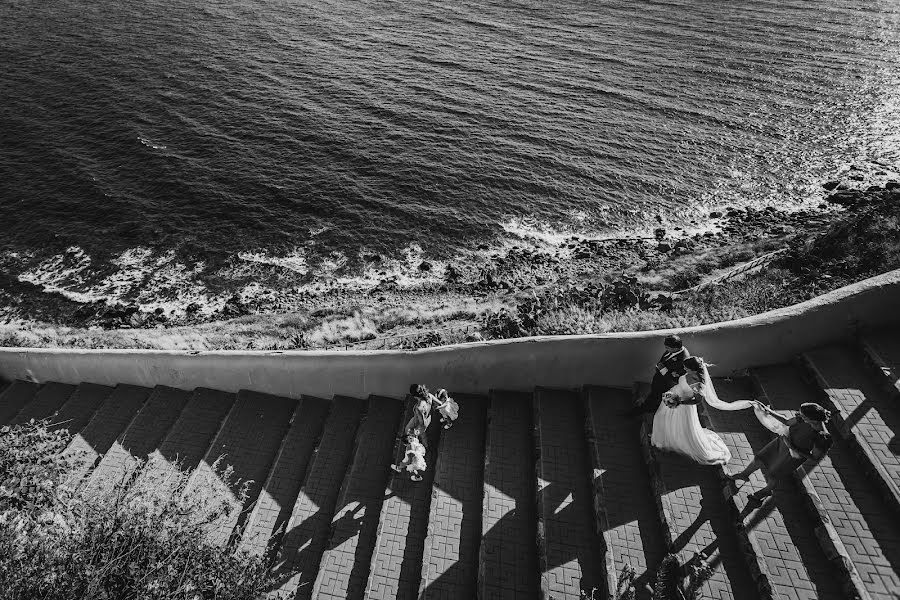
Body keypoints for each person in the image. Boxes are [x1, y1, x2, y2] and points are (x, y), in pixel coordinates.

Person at [727, 402, 833, 509]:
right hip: (782, 443)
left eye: (803, 416)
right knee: (761, 457)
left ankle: (766, 491)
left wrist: (792, 447)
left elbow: (814, 457)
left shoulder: (822, 436)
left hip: (792, 456)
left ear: (813, 419)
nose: (799, 416)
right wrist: (769, 412)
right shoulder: (803, 418)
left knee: (774, 474)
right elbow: (787, 421)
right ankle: (744, 474)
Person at [650, 357, 732, 465]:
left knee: (678, 426)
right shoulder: (689, 373)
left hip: (683, 405)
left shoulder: (699, 384)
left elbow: (698, 401)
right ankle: (663, 438)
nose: (684, 369)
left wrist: (679, 402)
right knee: (661, 417)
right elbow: (682, 381)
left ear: (693, 369)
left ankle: (668, 441)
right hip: (674, 394)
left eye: (686, 368)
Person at [626, 334, 693, 418]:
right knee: (653, 397)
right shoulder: (672, 350)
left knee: (654, 399)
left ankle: (640, 411)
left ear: (675, 348)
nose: (666, 349)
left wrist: (663, 369)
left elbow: (675, 379)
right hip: (658, 381)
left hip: (664, 385)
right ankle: (649, 409)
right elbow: (663, 361)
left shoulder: (683, 360)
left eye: (667, 347)